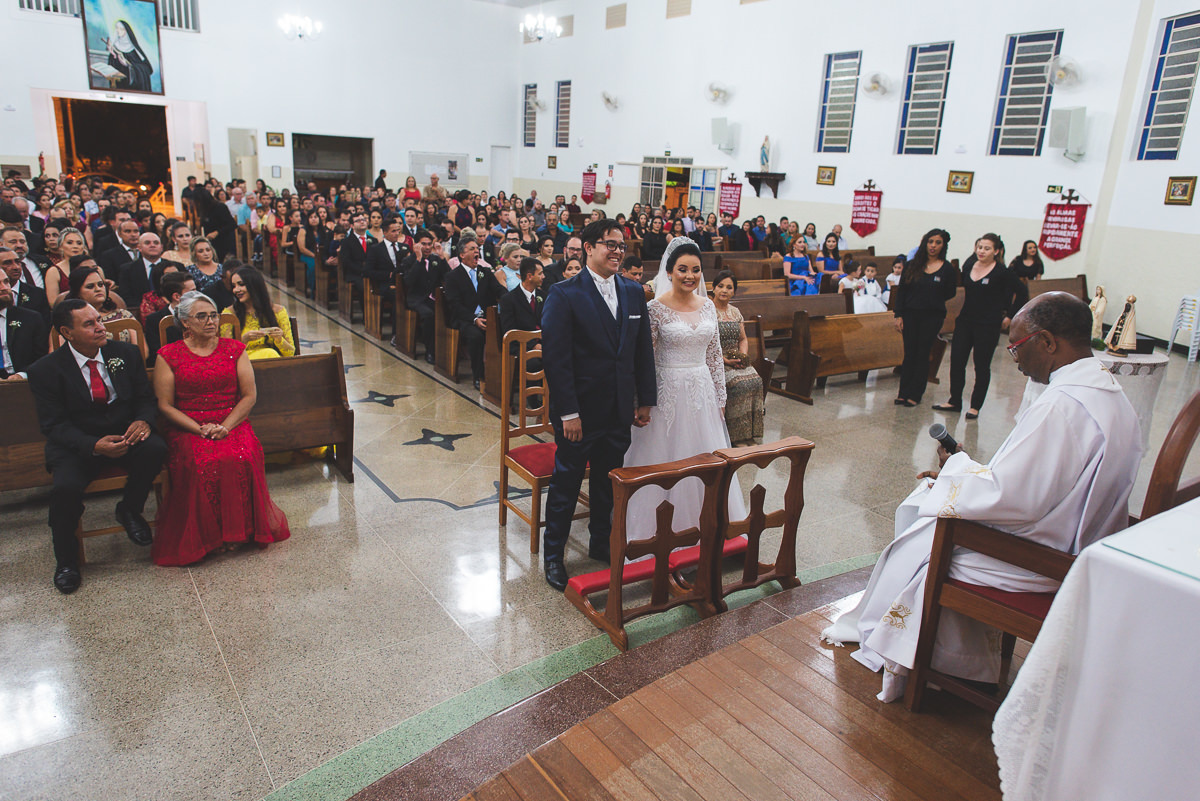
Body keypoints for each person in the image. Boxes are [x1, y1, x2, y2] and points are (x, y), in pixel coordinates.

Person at [821, 292, 1142, 702]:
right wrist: (964, 469)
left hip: (1040, 558)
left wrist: (954, 475)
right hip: (1080, 545)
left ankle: (934, 660)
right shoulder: (1108, 393)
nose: (1014, 358)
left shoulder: (1062, 406)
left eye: (1017, 346)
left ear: (1047, 342)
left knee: (924, 539)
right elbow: (1037, 487)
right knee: (934, 507)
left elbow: (1011, 497)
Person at [540, 219, 656, 590]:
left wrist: (644, 400)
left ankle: (600, 542)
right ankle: (553, 556)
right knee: (566, 485)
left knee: (609, 482)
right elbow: (557, 361)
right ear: (588, 248)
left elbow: (641, 352)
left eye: (622, 245)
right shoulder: (564, 293)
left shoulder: (633, 292)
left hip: (619, 408)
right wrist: (568, 413)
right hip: (581, 412)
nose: (618, 251)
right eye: (610, 244)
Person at [28, 299, 167, 593]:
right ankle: (66, 560)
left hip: (123, 433)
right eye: (89, 324)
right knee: (65, 489)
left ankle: (129, 509)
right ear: (67, 332)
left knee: (155, 448)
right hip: (76, 443)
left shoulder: (126, 354)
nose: (101, 327)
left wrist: (143, 421)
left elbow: (145, 398)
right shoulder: (46, 371)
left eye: (98, 319)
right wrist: (93, 445)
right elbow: (53, 425)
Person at [152, 292, 290, 566]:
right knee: (203, 461)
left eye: (213, 315)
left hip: (231, 420)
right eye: (201, 316)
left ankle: (240, 532)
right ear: (185, 324)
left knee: (240, 455)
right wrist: (199, 428)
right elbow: (165, 405)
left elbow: (249, 396)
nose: (210, 321)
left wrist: (226, 427)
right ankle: (209, 536)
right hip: (188, 424)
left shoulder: (234, 349)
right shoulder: (168, 355)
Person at [622, 240, 746, 541]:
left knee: (703, 458)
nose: (689, 276)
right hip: (667, 392)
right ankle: (659, 533)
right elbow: (645, 359)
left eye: (695, 270)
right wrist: (644, 402)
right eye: (682, 270)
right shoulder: (654, 309)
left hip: (702, 391)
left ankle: (711, 528)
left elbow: (714, 355)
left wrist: (720, 396)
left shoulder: (707, 306)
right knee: (667, 459)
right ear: (669, 271)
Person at [933, 234, 1022, 419]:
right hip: (965, 320)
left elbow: (1022, 292)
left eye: (987, 248)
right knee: (957, 361)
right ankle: (954, 400)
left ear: (996, 251)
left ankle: (975, 406)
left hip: (988, 324)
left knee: (981, 365)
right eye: (980, 247)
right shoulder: (968, 266)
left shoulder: (1002, 272)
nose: (982, 251)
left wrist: (1010, 315)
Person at [893, 229, 958, 407]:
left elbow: (950, 292)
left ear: (943, 246)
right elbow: (902, 292)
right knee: (909, 354)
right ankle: (903, 392)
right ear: (925, 243)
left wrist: (932, 299)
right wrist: (898, 315)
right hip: (910, 314)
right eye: (930, 242)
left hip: (932, 317)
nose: (933, 246)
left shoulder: (947, 269)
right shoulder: (912, 265)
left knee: (922, 354)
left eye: (938, 243)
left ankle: (915, 393)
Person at [711, 270, 764, 444]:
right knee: (737, 383)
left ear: (734, 292)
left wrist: (743, 356)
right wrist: (724, 360)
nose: (724, 290)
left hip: (736, 358)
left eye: (729, 287)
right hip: (717, 359)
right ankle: (733, 435)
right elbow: (707, 343)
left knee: (756, 380)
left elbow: (743, 338)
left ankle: (750, 432)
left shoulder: (735, 312)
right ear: (713, 288)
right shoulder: (708, 311)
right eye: (720, 286)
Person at [442, 238, 502, 389]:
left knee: (504, 330)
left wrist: (512, 299)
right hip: (465, 318)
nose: (477, 251)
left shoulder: (485, 272)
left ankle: (501, 373)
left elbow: (499, 290)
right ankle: (478, 375)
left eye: (477, 248)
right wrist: (474, 319)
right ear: (462, 254)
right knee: (476, 336)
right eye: (472, 248)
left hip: (488, 316)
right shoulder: (452, 277)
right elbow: (454, 304)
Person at [221, 267, 294, 360]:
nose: (236, 290)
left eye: (241, 284)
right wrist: (244, 339)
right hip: (243, 364)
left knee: (271, 354)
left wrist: (279, 339)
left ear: (255, 285)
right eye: (234, 286)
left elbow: (291, 353)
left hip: (273, 361)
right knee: (270, 354)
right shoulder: (229, 314)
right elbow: (227, 354)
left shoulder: (278, 311)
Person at [402, 230, 449, 363]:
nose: (427, 247)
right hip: (417, 299)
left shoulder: (435, 259)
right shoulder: (409, 260)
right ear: (416, 245)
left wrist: (441, 258)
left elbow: (448, 277)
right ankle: (430, 351)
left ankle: (449, 349)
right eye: (424, 244)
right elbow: (409, 281)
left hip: (434, 297)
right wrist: (418, 259)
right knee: (429, 314)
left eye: (430, 244)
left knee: (450, 310)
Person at [0, 269, 48, 379]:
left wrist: (22, 375)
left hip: (22, 382)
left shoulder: (31, 318)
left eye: (6, 282)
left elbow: (42, 358)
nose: (4, 288)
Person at [145, 270, 194, 366]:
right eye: (192, 291)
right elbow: (156, 354)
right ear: (177, 296)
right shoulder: (154, 320)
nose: (198, 294)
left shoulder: (203, 315)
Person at [1, 245, 50, 325]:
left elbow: (45, 325)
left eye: (17, 262)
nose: (16, 267)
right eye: (7, 263)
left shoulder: (37, 294)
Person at [498, 256, 544, 339]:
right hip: (522, 346)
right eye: (540, 274)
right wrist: (532, 345)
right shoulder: (508, 300)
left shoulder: (544, 296)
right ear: (529, 276)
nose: (543, 276)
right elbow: (510, 332)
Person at [185, 237, 233, 312]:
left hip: (225, 306)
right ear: (194, 254)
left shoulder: (223, 268)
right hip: (201, 307)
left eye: (208, 250)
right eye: (201, 251)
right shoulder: (189, 270)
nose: (206, 253)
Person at [105, 19, 154, 91]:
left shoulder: (134, 49)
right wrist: (113, 55)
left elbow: (147, 69)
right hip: (120, 86)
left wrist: (128, 65)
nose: (118, 31)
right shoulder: (115, 46)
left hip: (134, 88)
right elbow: (112, 67)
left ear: (126, 31)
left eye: (121, 29)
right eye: (117, 28)